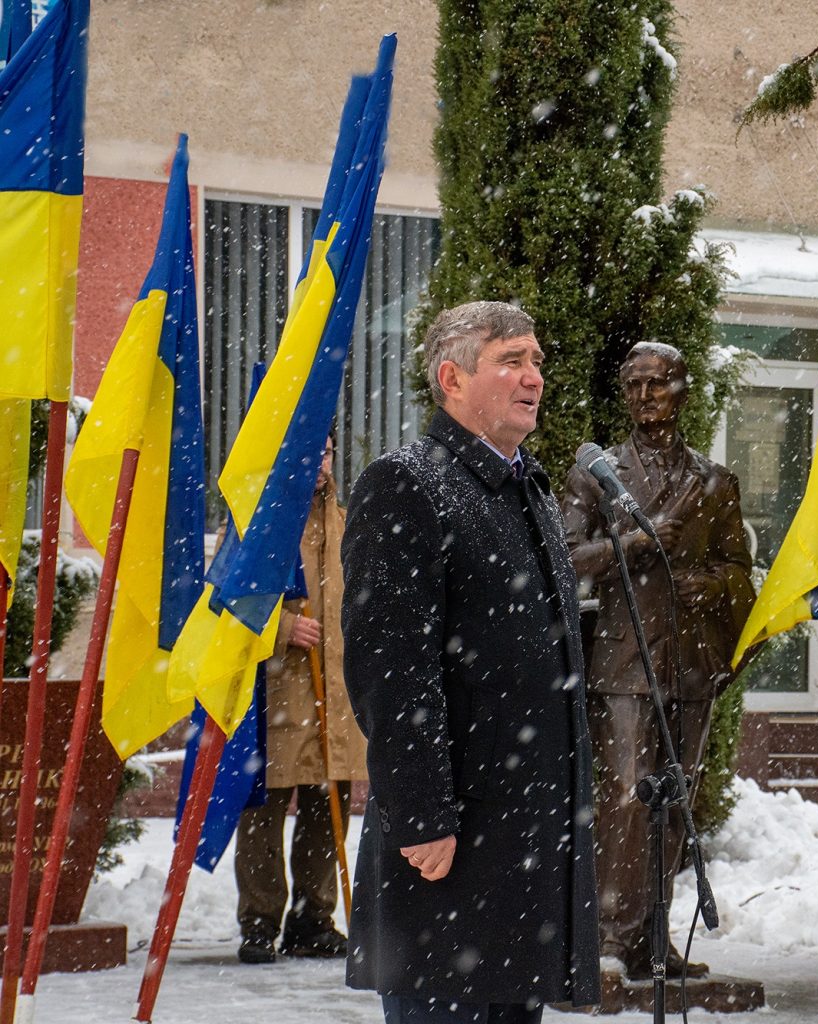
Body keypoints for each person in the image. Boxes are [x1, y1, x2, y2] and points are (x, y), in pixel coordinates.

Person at [341, 301, 599, 1023]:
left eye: (537, 360)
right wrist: (422, 814)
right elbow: (390, 667)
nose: (533, 377)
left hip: (525, 843)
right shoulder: (407, 483)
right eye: (511, 360)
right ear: (452, 379)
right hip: (451, 845)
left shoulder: (529, 489)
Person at [561, 342, 755, 981]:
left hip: (689, 665)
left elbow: (737, 567)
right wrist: (636, 541)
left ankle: (653, 936)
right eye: (634, 385)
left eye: (658, 384)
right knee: (623, 802)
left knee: (674, 803)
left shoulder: (714, 481)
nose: (645, 396)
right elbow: (565, 558)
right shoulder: (599, 473)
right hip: (622, 666)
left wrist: (711, 584)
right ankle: (611, 937)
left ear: (683, 392)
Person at [236, 434, 368, 965]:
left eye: (328, 450)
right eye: (310, 449)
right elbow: (229, 603)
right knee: (263, 813)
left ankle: (314, 920)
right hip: (278, 696)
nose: (320, 461)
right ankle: (259, 922)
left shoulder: (347, 519)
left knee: (325, 808)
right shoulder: (262, 524)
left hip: (336, 696)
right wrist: (282, 627)